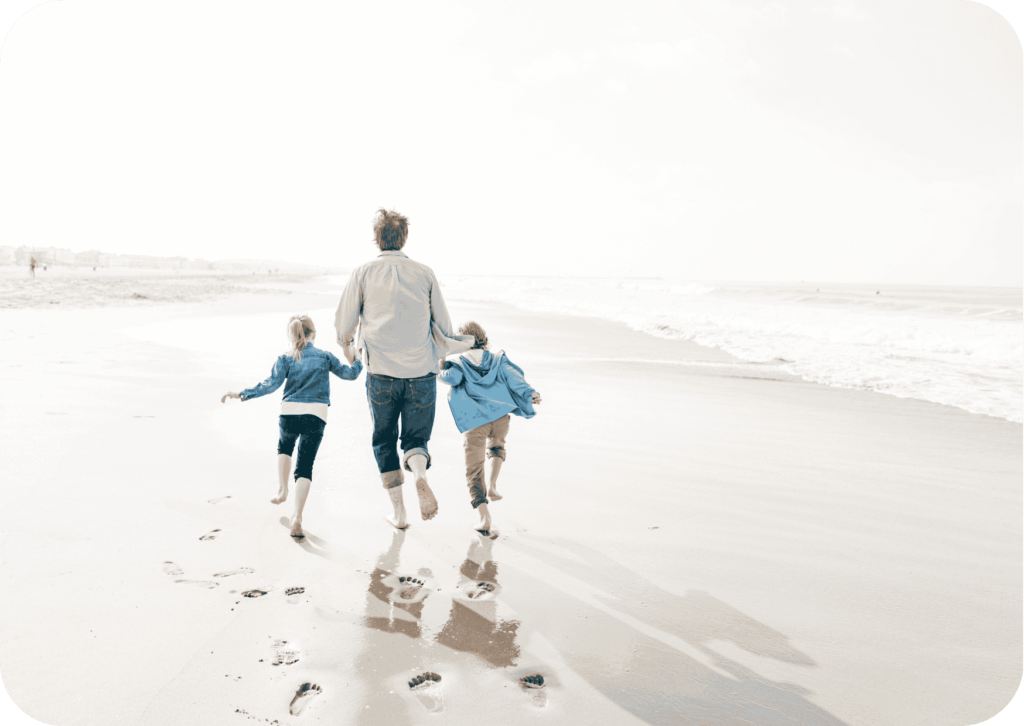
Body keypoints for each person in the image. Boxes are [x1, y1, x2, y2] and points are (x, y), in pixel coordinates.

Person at [334, 208, 473, 530]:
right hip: (421, 370)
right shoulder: (424, 272)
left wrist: (349, 349)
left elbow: (345, 324)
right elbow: (444, 323)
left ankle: (399, 513)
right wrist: (445, 352)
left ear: (377, 238)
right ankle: (420, 476)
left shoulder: (363, 272)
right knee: (416, 438)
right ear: (404, 238)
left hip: (380, 370)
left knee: (384, 439)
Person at [221, 314, 362, 538]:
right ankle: (297, 516)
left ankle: (282, 489)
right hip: (316, 415)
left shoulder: (285, 358)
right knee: (305, 466)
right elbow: (350, 375)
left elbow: (269, 385)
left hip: (288, 413)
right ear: (313, 333)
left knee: (284, 447)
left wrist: (241, 394)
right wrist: (357, 358)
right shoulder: (324, 356)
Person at [438, 321, 542, 534]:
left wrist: (440, 366)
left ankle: (484, 518)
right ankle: (493, 484)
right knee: (497, 447)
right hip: (500, 418)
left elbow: (453, 378)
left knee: (474, 469)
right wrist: (531, 393)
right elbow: (515, 378)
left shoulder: (458, 361)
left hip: (475, 422)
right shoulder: (497, 358)